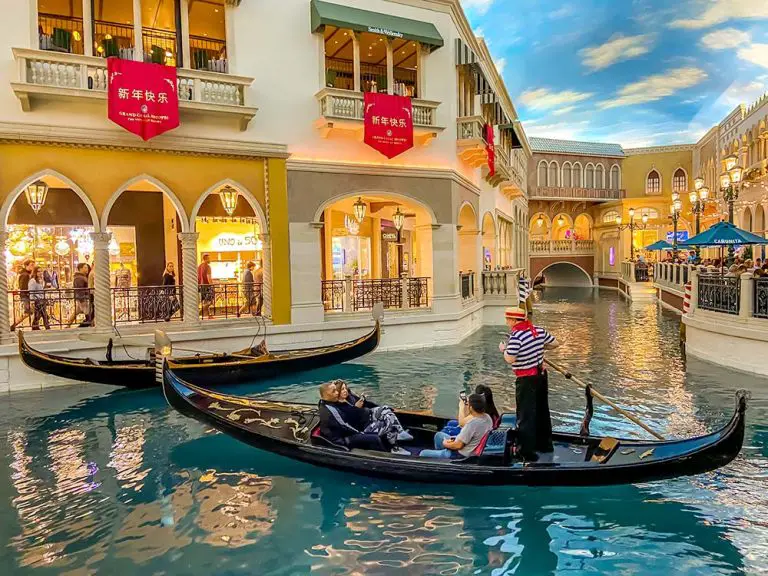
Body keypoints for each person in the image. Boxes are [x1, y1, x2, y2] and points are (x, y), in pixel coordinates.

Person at [500, 306, 560, 461]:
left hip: (526, 380)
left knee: (526, 416)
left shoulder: (516, 337)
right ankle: (545, 446)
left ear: (513, 320)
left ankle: (526, 452)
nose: (507, 322)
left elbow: (510, 359)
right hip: (541, 377)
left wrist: (503, 349)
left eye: (508, 319)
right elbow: (555, 343)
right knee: (541, 412)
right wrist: (539, 347)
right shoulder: (538, 331)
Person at [317, 382, 409, 455]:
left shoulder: (327, 402)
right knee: (374, 438)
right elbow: (344, 425)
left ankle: (395, 443)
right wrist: (360, 433)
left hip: (346, 432)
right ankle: (388, 454)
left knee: (381, 424)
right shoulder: (330, 410)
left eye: (336, 390)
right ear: (325, 395)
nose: (337, 393)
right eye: (334, 391)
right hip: (341, 439)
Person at [419, 393, 493, 459]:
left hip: (460, 454)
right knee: (438, 436)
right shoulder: (487, 418)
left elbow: (458, 446)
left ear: (471, 408)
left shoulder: (472, 424)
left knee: (422, 453)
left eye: (468, 404)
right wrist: (453, 439)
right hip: (468, 445)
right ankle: (440, 453)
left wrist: (445, 444)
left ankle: (441, 458)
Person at [334, 380, 413, 442]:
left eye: (345, 388)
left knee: (385, 409)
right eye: (342, 389)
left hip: (369, 415)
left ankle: (401, 432)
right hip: (363, 425)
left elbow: (366, 404)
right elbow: (352, 420)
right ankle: (395, 442)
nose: (345, 391)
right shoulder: (339, 407)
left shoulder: (350, 397)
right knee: (384, 422)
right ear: (337, 392)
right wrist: (356, 407)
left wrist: (378, 407)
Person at [10, 259, 35, 331]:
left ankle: (36, 325)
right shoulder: (24, 275)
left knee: (34, 310)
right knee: (28, 312)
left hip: (27, 295)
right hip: (26, 296)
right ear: (26, 266)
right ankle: (14, 325)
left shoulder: (27, 274)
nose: (33, 267)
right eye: (31, 265)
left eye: (33, 265)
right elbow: (23, 287)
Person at [67, 263, 91, 327]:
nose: (87, 269)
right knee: (88, 312)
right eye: (85, 268)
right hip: (83, 298)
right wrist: (82, 298)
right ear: (80, 269)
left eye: (87, 267)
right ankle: (88, 324)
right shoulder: (79, 278)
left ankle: (68, 324)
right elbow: (79, 290)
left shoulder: (82, 277)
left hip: (82, 298)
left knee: (77, 311)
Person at [198, 253, 213, 319]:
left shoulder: (199, 266)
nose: (210, 259)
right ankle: (198, 313)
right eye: (209, 258)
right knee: (210, 301)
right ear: (206, 259)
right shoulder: (207, 266)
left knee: (205, 301)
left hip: (201, 286)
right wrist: (212, 285)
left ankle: (209, 315)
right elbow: (208, 277)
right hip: (206, 286)